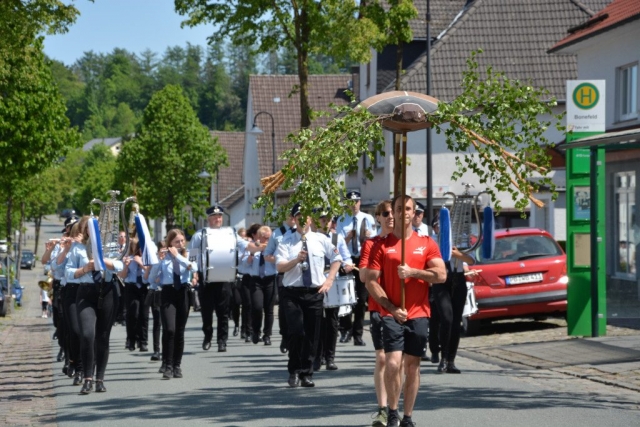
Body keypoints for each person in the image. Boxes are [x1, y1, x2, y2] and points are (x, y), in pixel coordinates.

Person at [366, 195, 447, 427]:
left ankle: (408, 416)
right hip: (391, 313)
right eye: (399, 209)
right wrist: (390, 307)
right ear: (395, 212)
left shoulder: (426, 243)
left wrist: (414, 272)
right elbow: (371, 281)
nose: (403, 213)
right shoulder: (382, 245)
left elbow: (441, 275)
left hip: (419, 313)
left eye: (408, 209)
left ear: (414, 213)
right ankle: (392, 411)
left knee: (412, 366)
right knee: (392, 363)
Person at [276, 203, 342, 388]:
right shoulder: (286, 241)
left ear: (310, 220)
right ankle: (294, 371)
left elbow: (337, 259)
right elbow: (280, 267)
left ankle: (307, 373)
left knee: (312, 335)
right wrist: (296, 260)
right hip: (292, 293)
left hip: (314, 292)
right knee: (297, 332)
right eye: (299, 216)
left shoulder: (321, 239)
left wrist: (329, 280)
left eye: (306, 217)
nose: (303, 220)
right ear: (294, 219)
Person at [60, 216, 124, 394]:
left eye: (96, 227)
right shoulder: (78, 248)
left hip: (108, 291)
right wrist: (84, 269)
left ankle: (100, 379)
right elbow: (69, 271)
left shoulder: (110, 246)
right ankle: (87, 377)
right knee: (87, 334)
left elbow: (120, 265)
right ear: (85, 230)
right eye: (89, 228)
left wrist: (105, 261)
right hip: (86, 292)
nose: (93, 230)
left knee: (103, 337)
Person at [189, 205, 261, 352]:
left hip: (224, 278)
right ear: (208, 218)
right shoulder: (200, 234)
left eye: (220, 216)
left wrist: (261, 246)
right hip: (206, 279)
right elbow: (192, 255)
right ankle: (207, 335)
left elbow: (246, 246)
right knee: (206, 312)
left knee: (223, 312)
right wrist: (194, 272)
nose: (218, 219)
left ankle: (222, 341)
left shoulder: (231, 234)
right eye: (215, 217)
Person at [360, 200, 394, 427]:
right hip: (378, 305)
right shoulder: (372, 244)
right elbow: (363, 276)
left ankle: (395, 407)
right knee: (382, 358)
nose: (390, 216)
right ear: (378, 218)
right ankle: (383, 409)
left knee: (399, 362)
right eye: (385, 213)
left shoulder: (406, 242)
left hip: (404, 307)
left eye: (394, 212)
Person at [429, 215, 477, 374]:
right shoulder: (431, 240)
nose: (440, 228)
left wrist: (457, 254)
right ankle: (442, 358)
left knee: (456, 322)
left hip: (458, 279)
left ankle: (451, 360)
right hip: (441, 281)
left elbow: (471, 261)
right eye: (438, 225)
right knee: (446, 318)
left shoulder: (461, 239)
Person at [148, 228, 197, 379]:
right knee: (169, 330)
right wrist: (159, 261)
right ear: (170, 243)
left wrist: (179, 257)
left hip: (183, 293)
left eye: (182, 241)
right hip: (168, 293)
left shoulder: (188, 254)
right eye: (177, 241)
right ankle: (167, 365)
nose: (180, 244)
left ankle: (177, 365)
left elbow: (194, 268)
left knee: (179, 331)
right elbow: (151, 279)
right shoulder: (163, 257)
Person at [311, 209, 353, 371]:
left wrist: (347, 264)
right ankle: (317, 356)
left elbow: (345, 256)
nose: (325, 222)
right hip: (316, 282)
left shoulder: (337, 238)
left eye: (327, 219)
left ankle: (330, 357)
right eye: (322, 219)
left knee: (332, 321)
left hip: (333, 282)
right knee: (316, 321)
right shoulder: (311, 238)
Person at [336, 190, 376, 345]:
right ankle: (345, 330)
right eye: (350, 202)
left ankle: (358, 334)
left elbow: (374, 241)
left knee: (361, 298)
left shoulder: (368, 218)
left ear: (360, 202)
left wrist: (368, 237)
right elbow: (337, 245)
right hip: (347, 259)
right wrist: (348, 237)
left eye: (356, 201)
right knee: (346, 297)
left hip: (363, 259)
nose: (353, 205)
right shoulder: (341, 220)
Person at [263, 214, 296, 354]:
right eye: (291, 215)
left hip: (300, 273)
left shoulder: (304, 232)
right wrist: (280, 259)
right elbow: (267, 254)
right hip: (283, 273)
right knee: (284, 307)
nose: (293, 218)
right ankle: (285, 336)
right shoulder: (277, 233)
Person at [244, 225, 276, 346]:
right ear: (259, 237)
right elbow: (245, 264)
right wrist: (252, 254)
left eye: (268, 238)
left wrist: (269, 254)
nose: (266, 240)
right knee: (257, 307)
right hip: (256, 280)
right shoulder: (253, 247)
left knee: (269, 309)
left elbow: (278, 261)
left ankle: (267, 335)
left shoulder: (274, 248)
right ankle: (255, 331)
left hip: (270, 279)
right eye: (263, 238)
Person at [120, 238, 149, 352]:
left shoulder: (147, 260)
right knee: (133, 314)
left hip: (143, 287)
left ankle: (143, 341)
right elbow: (122, 275)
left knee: (144, 315)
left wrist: (141, 263)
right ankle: (131, 340)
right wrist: (126, 266)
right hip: (131, 287)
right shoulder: (128, 259)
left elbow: (150, 273)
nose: (138, 249)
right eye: (135, 247)